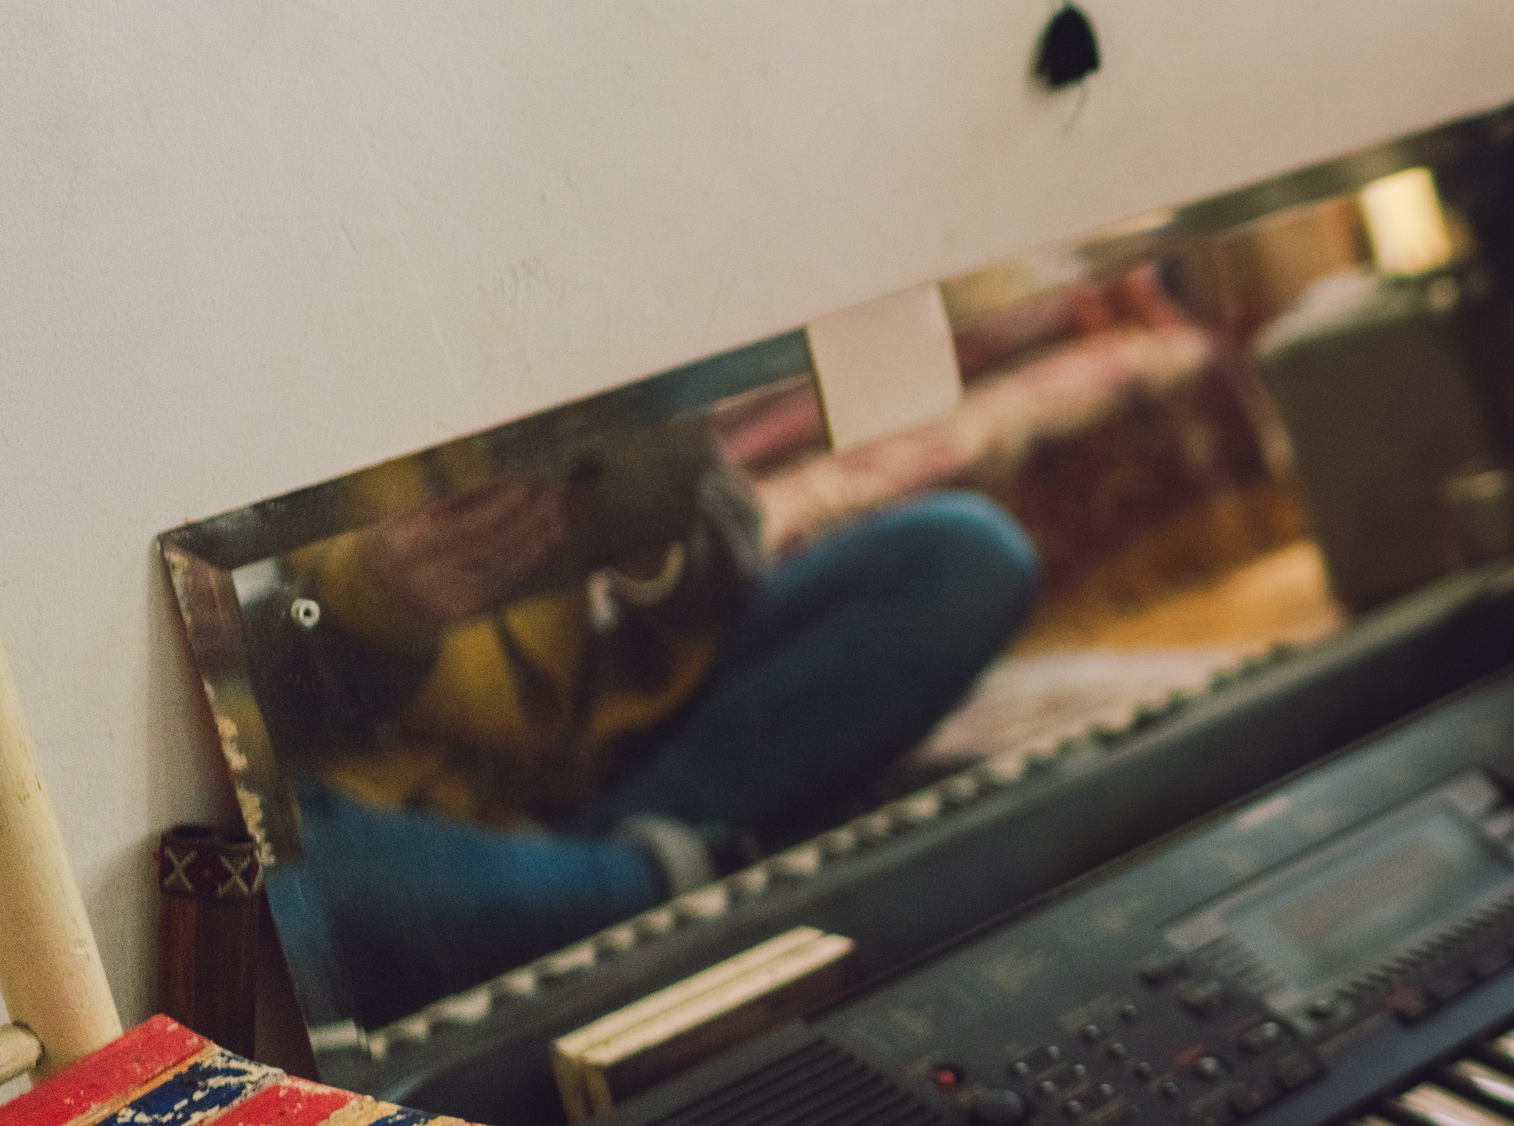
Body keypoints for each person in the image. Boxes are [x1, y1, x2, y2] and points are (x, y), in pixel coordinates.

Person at [281, 421, 1039, 1028]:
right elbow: (228, 728)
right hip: (409, 820)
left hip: (633, 751)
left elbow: (733, 544)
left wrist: (653, 545)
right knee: (274, 884)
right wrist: (371, 603)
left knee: (968, 555)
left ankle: (610, 889)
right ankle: (714, 873)